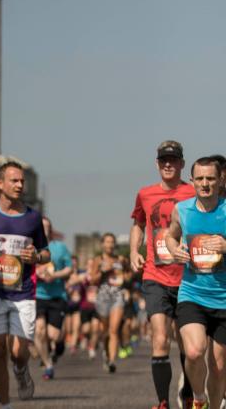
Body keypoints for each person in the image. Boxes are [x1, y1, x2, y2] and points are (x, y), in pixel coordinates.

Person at [0, 161, 50, 409]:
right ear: (0, 183)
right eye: (14, 180)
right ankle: (6, 403)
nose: (20, 185)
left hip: (23, 293)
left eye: (22, 181)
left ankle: (21, 369)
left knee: (18, 351)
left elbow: (45, 252)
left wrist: (37, 257)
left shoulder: (32, 217)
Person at [129, 140, 195, 408]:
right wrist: (134, 251)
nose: (168, 164)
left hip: (189, 278)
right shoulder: (145, 194)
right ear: (157, 164)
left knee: (187, 344)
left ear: (181, 163)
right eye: (163, 160)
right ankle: (163, 401)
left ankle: (189, 393)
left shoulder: (193, 192)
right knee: (159, 338)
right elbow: (137, 223)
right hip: (155, 276)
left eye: (173, 160)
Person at [165, 157, 226, 409]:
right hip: (192, 293)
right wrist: (173, 249)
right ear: (192, 181)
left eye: (210, 178)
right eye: (199, 178)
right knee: (193, 351)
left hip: (223, 298)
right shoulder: (181, 209)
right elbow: (170, 235)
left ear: (221, 180)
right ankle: (198, 399)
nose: (205, 184)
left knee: (219, 365)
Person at [34, 217, 72, 380]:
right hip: (37, 294)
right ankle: (48, 365)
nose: (44, 230)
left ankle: (60, 344)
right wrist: (35, 273)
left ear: (51, 229)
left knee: (53, 336)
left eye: (47, 227)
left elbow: (69, 269)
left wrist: (54, 275)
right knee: (39, 331)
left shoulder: (60, 248)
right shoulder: (31, 248)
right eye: (41, 227)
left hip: (57, 295)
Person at [90, 233, 126, 373]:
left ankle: (112, 360)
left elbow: (128, 274)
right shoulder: (98, 260)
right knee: (105, 332)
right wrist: (103, 271)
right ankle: (106, 353)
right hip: (103, 297)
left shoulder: (120, 259)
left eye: (112, 242)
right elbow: (92, 280)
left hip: (117, 295)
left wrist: (127, 267)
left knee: (114, 330)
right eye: (107, 242)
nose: (110, 245)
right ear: (102, 244)